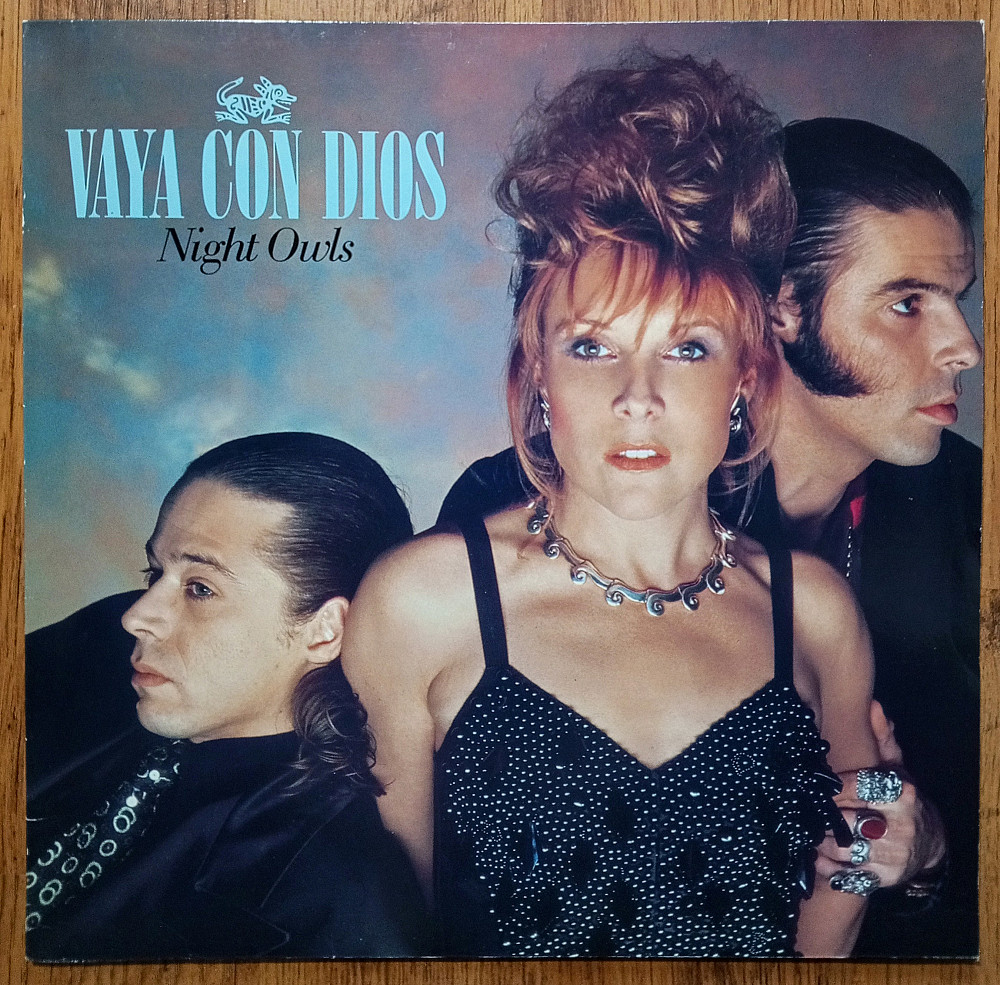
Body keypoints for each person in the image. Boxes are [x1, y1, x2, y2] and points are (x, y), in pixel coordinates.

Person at [342, 54, 885, 959]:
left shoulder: (818, 610)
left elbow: (856, 864)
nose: (638, 398)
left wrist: (885, 848)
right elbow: (382, 938)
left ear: (744, 379)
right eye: (592, 348)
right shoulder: (423, 603)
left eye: (688, 349)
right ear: (539, 373)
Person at [438, 117, 982, 957]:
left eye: (958, 300)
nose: (964, 348)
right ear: (782, 311)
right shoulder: (516, 502)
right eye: (907, 303)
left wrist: (929, 852)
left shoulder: (971, 507)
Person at [26, 432, 431, 961]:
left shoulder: (334, 897)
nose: (138, 616)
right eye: (156, 572)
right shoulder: (100, 647)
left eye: (200, 589)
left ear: (325, 631)